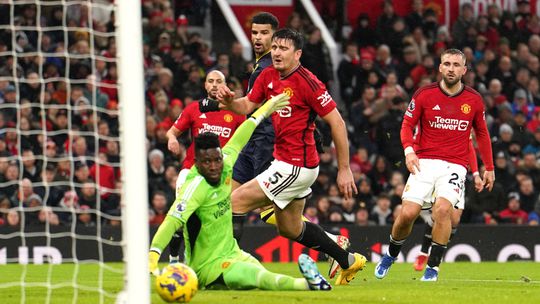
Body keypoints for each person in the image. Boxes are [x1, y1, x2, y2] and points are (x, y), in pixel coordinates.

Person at [217, 28, 366, 285]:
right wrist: (230, 102)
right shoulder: (267, 76)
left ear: (297, 54)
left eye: (283, 48)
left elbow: (337, 123)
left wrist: (344, 169)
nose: (276, 52)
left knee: (235, 201)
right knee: (289, 228)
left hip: (297, 165)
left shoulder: (308, 82)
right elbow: (246, 106)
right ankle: (347, 260)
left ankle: (224, 270)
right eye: (274, 47)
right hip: (284, 162)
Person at [149, 94, 332, 291]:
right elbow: (171, 221)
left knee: (259, 273)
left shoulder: (226, 164)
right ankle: (308, 284)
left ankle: (308, 282)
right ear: (197, 163)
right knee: (255, 276)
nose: (214, 166)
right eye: (207, 162)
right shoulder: (194, 187)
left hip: (233, 253)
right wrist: (153, 253)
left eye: (216, 160)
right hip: (207, 266)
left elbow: (244, 132)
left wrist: (266, 108)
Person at [374, 48, 495, 281]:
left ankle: (433, 267)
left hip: (454, 165)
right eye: (447, 64)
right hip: (424, 162)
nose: (451, 68)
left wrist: (488, 167)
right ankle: (391, 254)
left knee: (443, 211)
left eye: (456, 65)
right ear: (440, 67)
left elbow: (481, 133)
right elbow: (406, 126)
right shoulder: (424, 94)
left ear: (464, 70)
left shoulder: (474, 100)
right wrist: (409, 152)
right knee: (408, 213)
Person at [165, 70, 245, 263]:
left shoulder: (236, 112)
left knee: (218, 220)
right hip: (191, 171)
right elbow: (171, 132)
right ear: (205, 85)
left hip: (220, 176)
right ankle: (174, 259)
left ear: (226, 86)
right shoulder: (194, 108)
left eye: (219, 81)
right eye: (211, 81)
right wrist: (172, 140)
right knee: (181, 217)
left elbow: (245, 139)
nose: (215, 85)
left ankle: (204, 259)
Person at [413, 139, 484, 271]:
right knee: (438, 213)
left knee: (455, 220)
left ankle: (437, 252)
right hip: (439, 173)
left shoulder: (463, 128)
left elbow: (470, 148)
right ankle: (423, 253)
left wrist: (475, 174)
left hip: (456, 175)